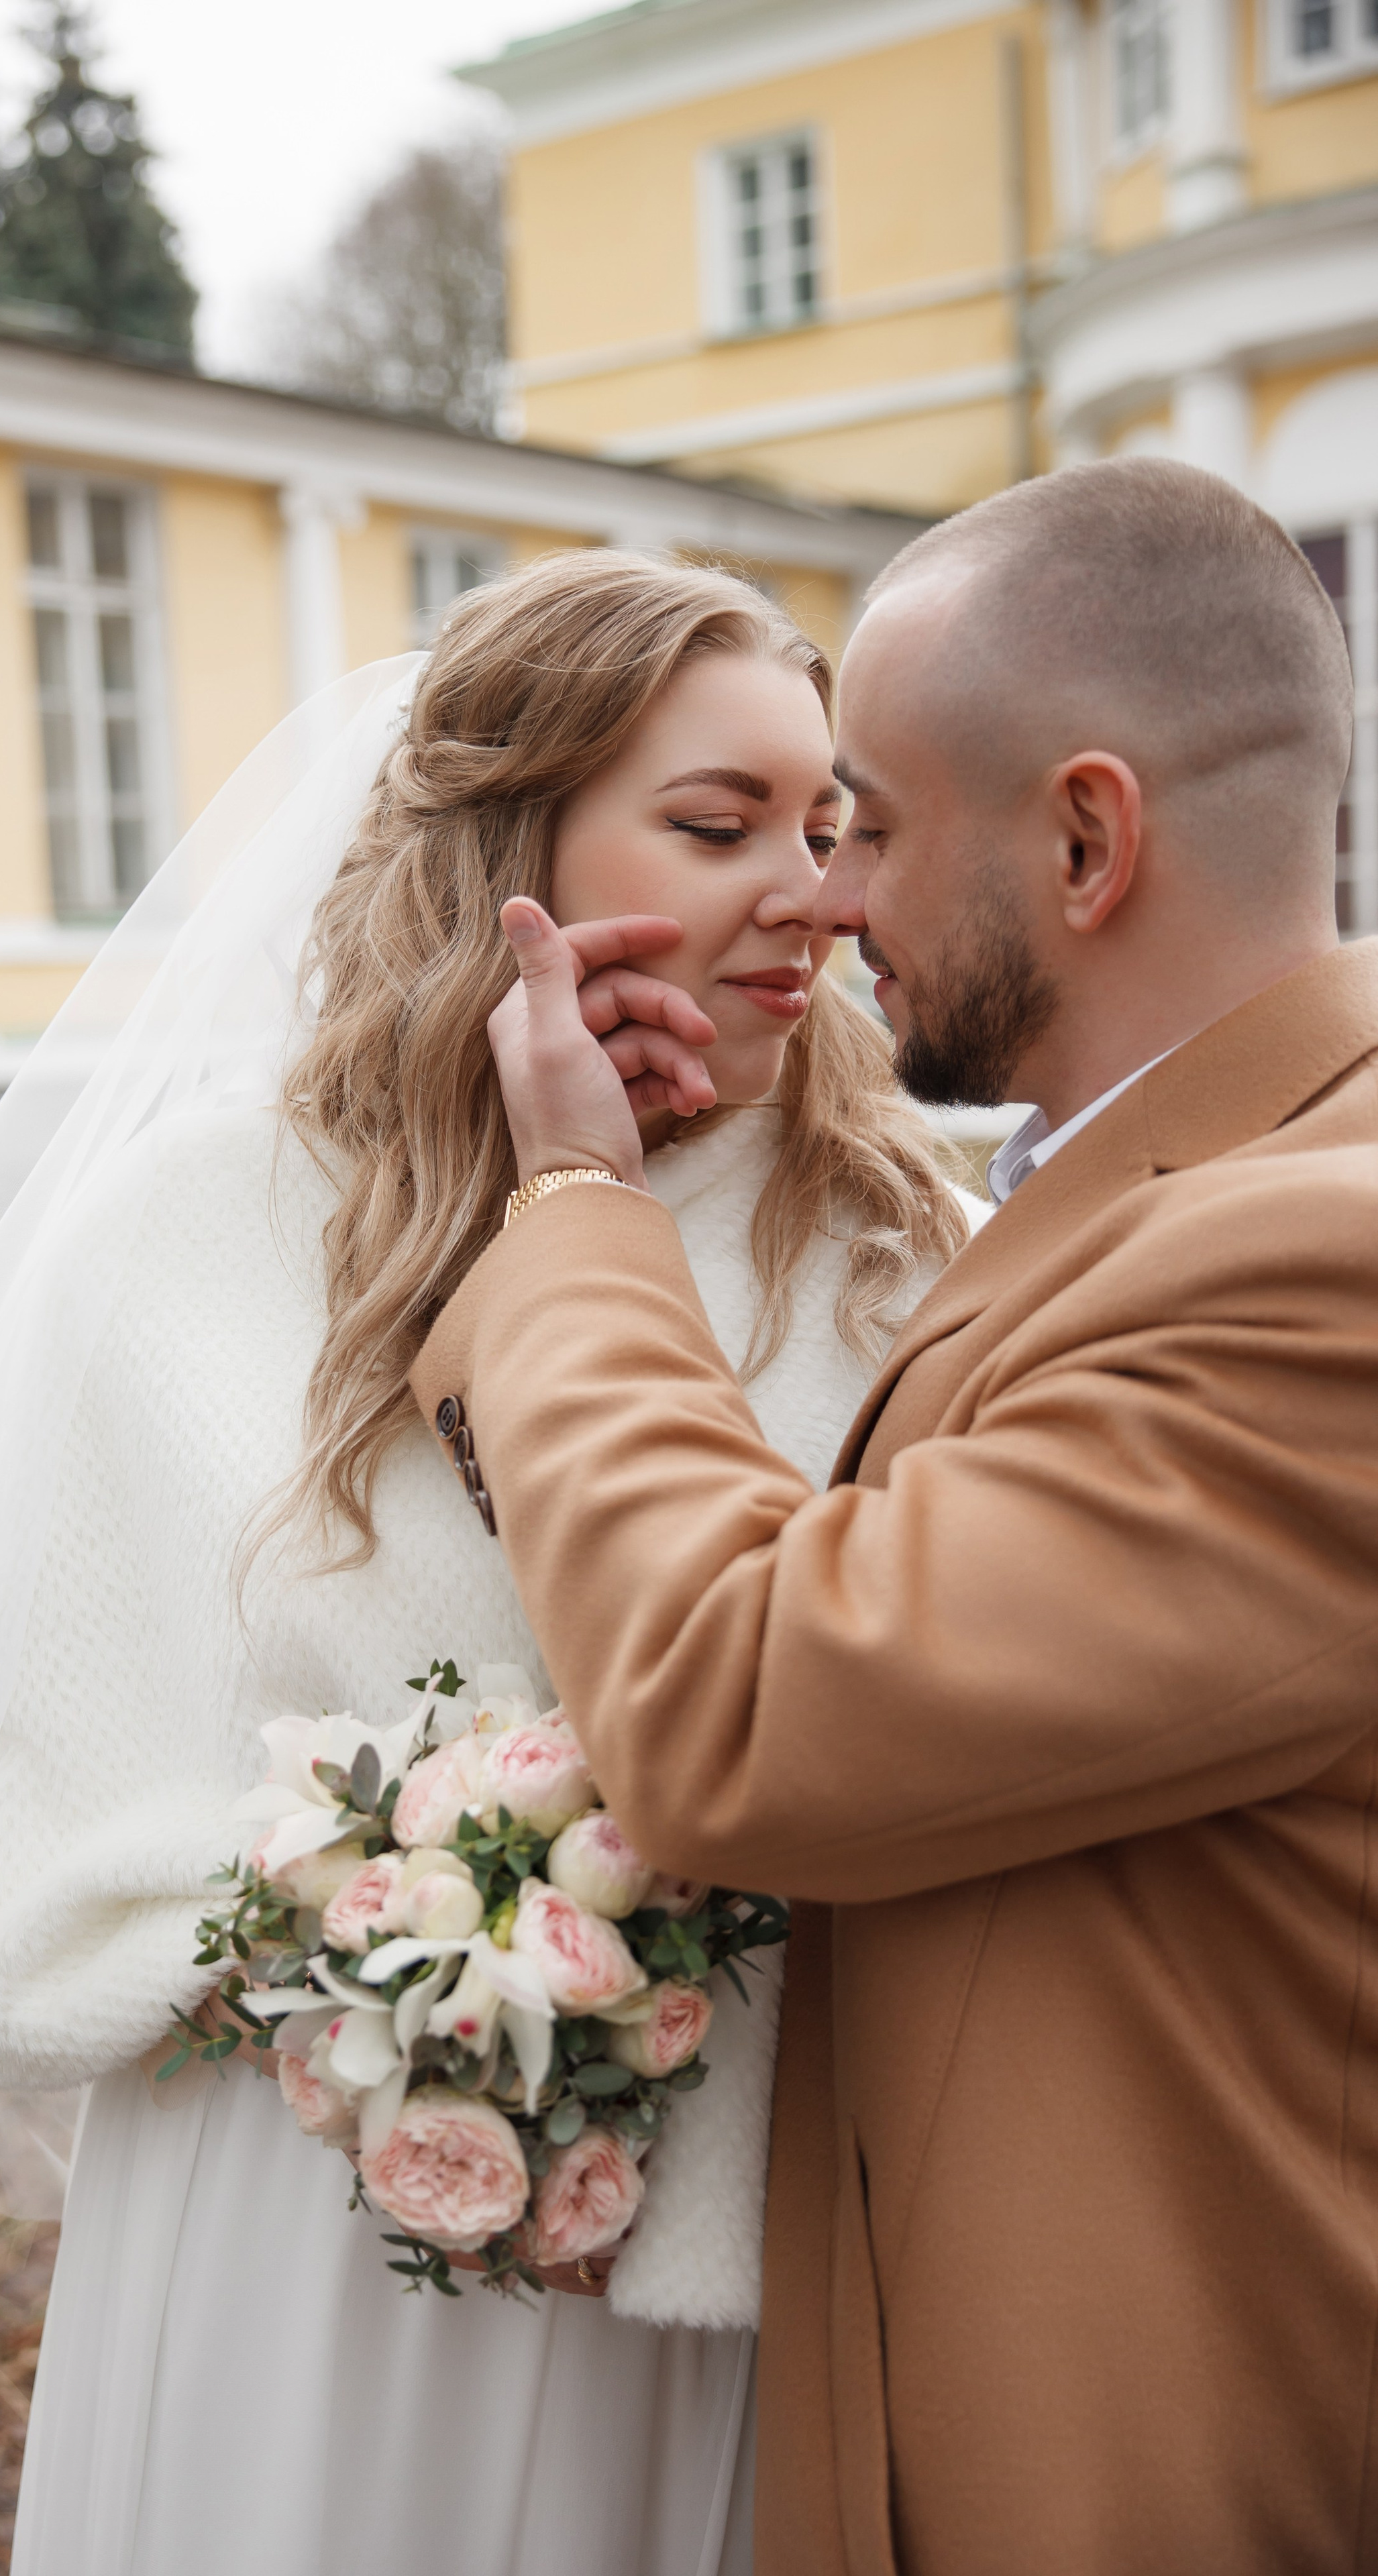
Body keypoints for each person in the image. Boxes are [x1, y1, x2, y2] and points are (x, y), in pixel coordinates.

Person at [0, 551, 974, 2576]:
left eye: (828, 829)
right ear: (511, 848)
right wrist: (385, 1922)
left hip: (731, 2251)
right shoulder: (192, 1232)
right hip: (297, 2225)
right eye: (718, 825)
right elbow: (55, 1808)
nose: (805, 893)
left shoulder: (907, 1249)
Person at [405, 458, 1378, 2575]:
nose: (827, 903)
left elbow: (746, 1705)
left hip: (1161, 2450)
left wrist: (574, 1208)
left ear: (1088, 840)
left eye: (867, 823)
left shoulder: (1327, 1263)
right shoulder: (1151, 1170)